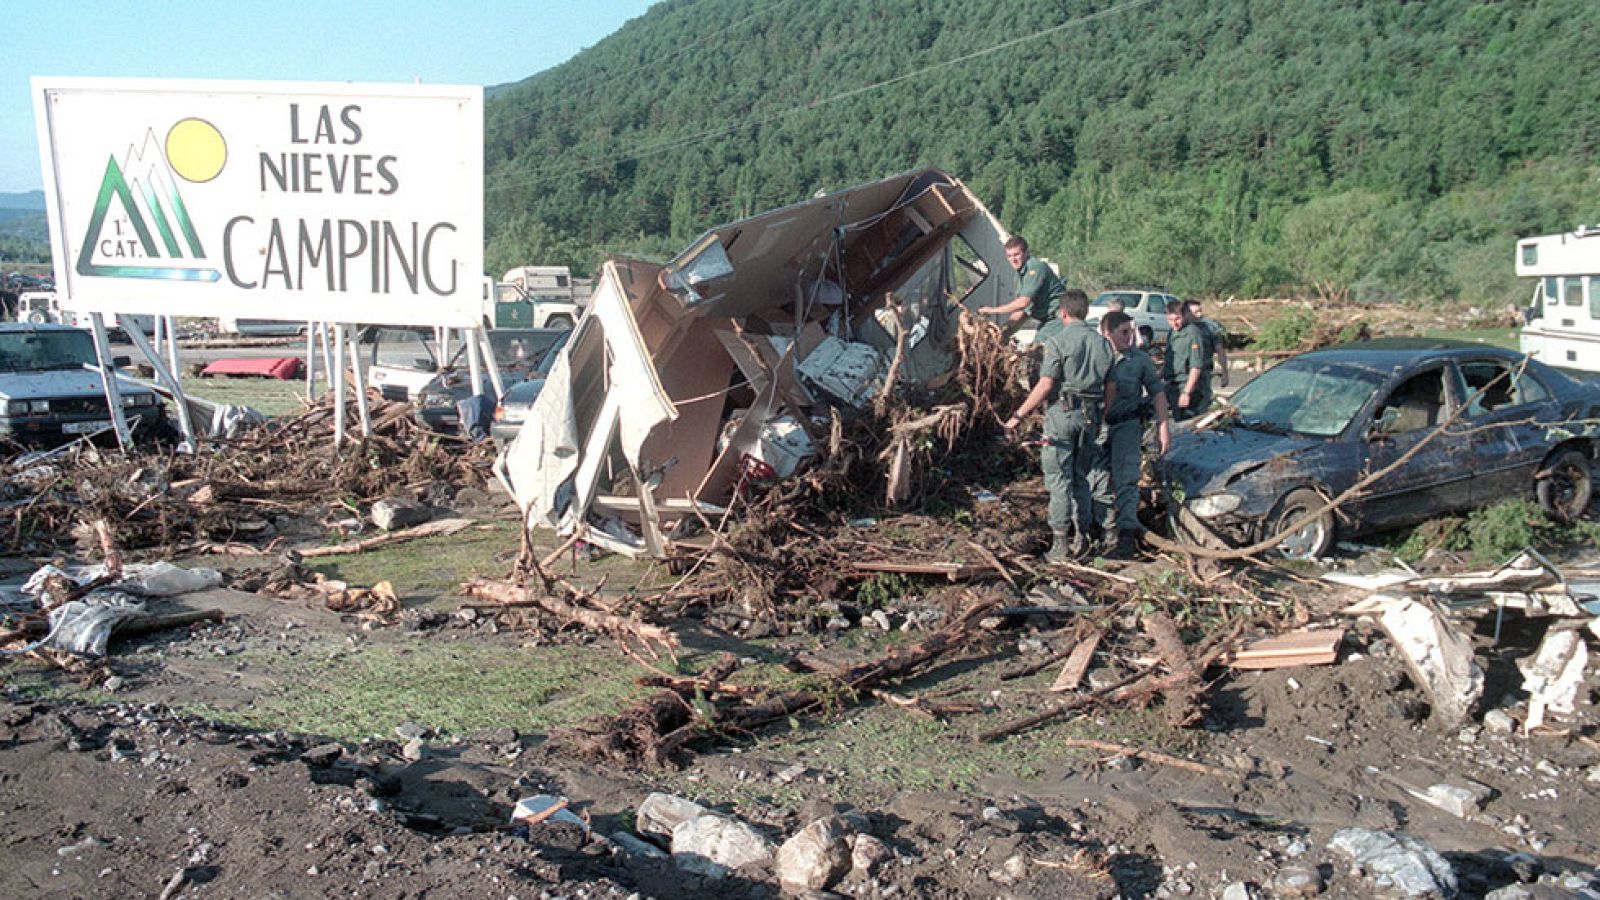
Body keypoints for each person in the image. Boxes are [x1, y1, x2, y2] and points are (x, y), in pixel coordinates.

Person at [1002, 289, 1115, 562]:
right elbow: (1111, 386)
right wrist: (1103, 418)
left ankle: (1060, 544)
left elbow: (1046, 384)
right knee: (1081, 479)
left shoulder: (1057, 341)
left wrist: (1018, 415)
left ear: (1063, 313)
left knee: (1059, 480)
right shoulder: (1104, 344)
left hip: (1062, 416)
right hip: (1091, 417)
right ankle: (1082, 537)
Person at [1090, 310, 1171, 558]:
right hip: (1098, 427)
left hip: (1127, 425)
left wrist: (1163, 427)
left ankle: (1125, 537)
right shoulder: (1094, 357)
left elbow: (1157, 393)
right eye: (1124, 332)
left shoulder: (1139, 360)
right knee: (1096, 481)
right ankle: (1104, 532)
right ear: (1107, 333)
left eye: (1131, 331)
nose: (1130, 337)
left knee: (1126, 480)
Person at [977, 236, 1066, 342]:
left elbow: (1022, 303)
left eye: (1016, 255)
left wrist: (992, 310)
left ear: (1026, 253)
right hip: (1047, 320)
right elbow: (1023, 311)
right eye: (1009, 256)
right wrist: (1004, 332)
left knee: (1038, 350)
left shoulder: (1035, 268)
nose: (1013, 259)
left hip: (1060, 318)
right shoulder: (1019, 275)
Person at [1163, 299, 1214, 420]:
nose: (1174, 323)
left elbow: (1196, 366)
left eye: (1177, 319)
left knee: (1188, 424)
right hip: (1172, 385)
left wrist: (1186, 393)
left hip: (1187, 386)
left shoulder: (1193, 333)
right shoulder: (1172, 332)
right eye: (1170, 320)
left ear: (1185, 316)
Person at [1185, 299, 1229, 389]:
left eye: (1200, 311)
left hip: (1203, 373)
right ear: (1187, 313)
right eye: (1196, 312)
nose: (1200, 314)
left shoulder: (1210, 327)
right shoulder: (1179, 327)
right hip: (1183, 374)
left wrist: (1225, 372)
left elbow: (1220, 350)